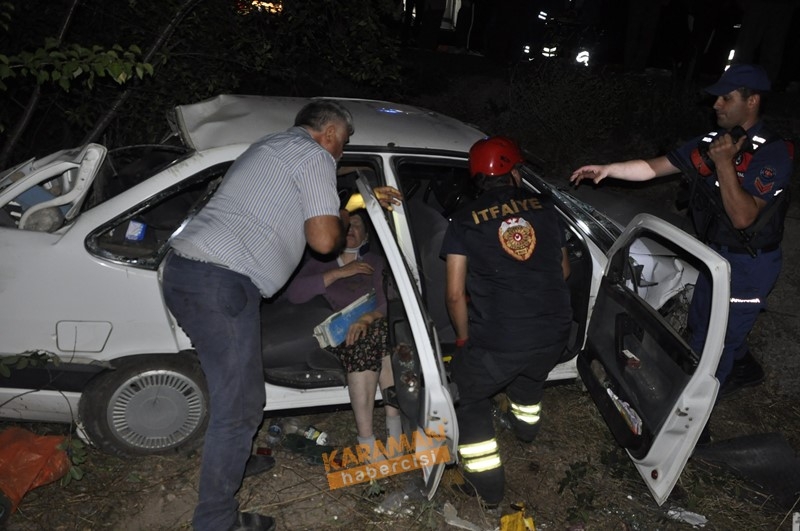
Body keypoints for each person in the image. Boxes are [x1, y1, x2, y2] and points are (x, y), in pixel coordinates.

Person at [161, 100, 401, 531]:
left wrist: (358, 195)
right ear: (329, 133)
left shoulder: (274, 145)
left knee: (243, 396)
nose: (341, 153)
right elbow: (326, 239)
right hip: (220, 280)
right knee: (238, 409)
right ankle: (215, 521)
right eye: (343, 144)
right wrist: (349, 210)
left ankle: (234, 461)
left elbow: (308, 195)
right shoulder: (313, 155)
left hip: (195, 274)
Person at [570, 63, 793, 402]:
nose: (715, 105)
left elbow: (744, 217)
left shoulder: (773, 153)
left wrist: (722, 165)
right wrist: (607, 169)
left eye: (726, 98)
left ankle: (693, 417)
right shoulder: (713, 142)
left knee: (714, 345)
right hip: (714, 254)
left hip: (750, 264)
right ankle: (744, 365)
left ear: (752, 102)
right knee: (702, 320)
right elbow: (653, 167)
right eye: (716, 97)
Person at [442, 136, 572, 508]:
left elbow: (453, 295)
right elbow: (562, 270)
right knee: (530, 375)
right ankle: (527, 430)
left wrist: (465, 340)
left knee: (468, 394)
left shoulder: (464, 221)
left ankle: (488, 487)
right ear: (514, 171)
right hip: (554, 332)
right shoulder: (547, 208)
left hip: (502, 338)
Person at [286, 210, 402, 456]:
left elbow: (388, 301)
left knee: (382, 338)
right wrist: (339, 273)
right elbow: (295, 294)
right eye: (346, 225)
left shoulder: (375, 261)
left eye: (357, 225)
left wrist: (367, 318)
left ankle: (394, 430)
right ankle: (367, 440)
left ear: (366, 234)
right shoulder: (321, 263)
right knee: (365, 343)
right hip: (344, 336)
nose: (351, 229)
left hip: (375, 328)